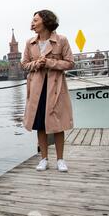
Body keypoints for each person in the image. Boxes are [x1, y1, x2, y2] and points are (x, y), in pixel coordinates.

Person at [22, 10, 74, 172]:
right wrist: (36, 64)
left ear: (45, 21)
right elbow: (24, 64)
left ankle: (60, 160)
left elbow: (70, 63)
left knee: (58, 124)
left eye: (35, 20)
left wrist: (50, 63)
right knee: (40, 125)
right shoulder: (29, 43)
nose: (32, 23)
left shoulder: (62, 40)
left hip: (55, 88)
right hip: (37, 88)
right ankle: (43, 159)